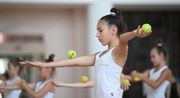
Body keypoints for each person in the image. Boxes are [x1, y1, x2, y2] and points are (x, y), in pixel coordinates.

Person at [20, 7, 151, 98]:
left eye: (100, 30)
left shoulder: (119, 52)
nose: (97, 34)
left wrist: (134, 33)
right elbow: (73, 62)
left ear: (114, 30)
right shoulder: (99, 56)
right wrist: (42, 65)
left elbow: (122, 39)